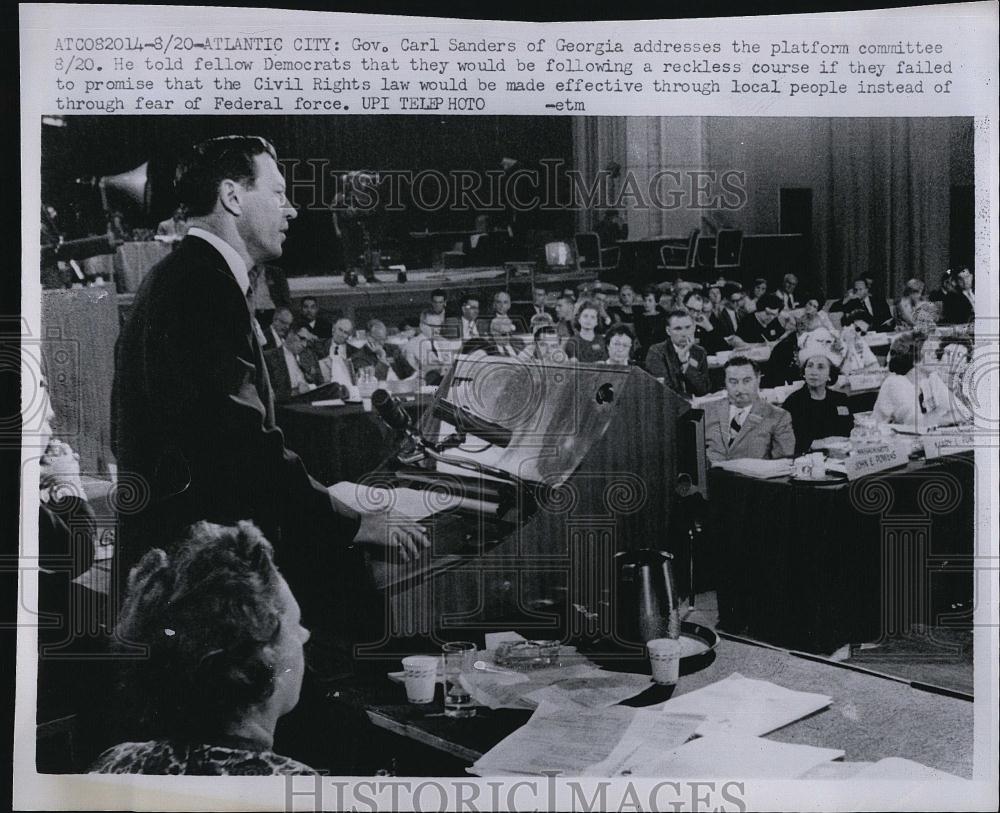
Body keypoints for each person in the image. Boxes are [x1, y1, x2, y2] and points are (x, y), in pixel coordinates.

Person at [112, 136, 428, 627]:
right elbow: (240, 446)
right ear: (233, 197)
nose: (293, 210)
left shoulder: (188, 276)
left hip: (183, 567)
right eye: (279, 193)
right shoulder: (203, 286)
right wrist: (354, 520)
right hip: (193, 583)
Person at [91, 521, 316, 775]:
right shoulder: (297, 786)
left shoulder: (116, 762)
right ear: (262, 657)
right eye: (295, 625)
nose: (304, 635)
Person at [703, 356, 795, 463]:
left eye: (746, 381)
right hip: (711, 478)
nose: (740, 389)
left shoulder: (778, 417)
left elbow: (783, 464)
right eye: (733, 382)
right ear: (725, 382)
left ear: (758, 380)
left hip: (752, 479)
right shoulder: (706, 410)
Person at [872, 332, 962, 429]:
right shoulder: (895, 383)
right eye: (929, 352)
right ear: (914, 359)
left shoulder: (932, 378)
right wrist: (943, 412)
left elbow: (963, 411)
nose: (936, 355)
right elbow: (916, 424)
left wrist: (940, 415)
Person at [781, 350, 854, 456]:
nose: (813, 372)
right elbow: (788, 440)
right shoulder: (793, 402)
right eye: (810, 366)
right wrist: (822, 443)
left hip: (841, 455)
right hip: (808, 459)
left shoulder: (840, 399)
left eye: (820, 367)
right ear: (804, 373)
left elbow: (849, 430)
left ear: (830, 375)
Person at [644, 310, 710, 398]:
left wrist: (686, 364)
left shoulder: (700, 352)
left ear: (694, 328)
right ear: (668, 331)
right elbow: (665, 391)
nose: (684, 333)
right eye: (678, 329)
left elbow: (704, 389)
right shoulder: (657, 352)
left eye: (688, 327)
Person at [264, 328, 320, 403]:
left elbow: (318, 381)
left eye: (307, 341)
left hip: (310, 400)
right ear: (290, 334)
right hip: (288, 405)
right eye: (302, 338)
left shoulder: (307, 357)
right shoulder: (270, 357)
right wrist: (296, 391)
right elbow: (269, 394)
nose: (304, 345)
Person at [349, 319, 414, 381]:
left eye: (384, 339)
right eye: (379, 339)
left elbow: (410, 373)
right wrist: (382, 359)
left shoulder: (393, 349)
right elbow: (372, 381)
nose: (382, 343)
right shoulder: (359, 357)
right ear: (368, 337)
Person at [404, 309, 452, 385]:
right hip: (424, 386)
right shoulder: (411, 346)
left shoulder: (445, 342)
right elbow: (412, 374)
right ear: (422, 326)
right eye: (432, 325)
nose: (436, 329)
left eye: (439, 325)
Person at [838, 310, 881, 375]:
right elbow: (844, 372)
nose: (859, 335)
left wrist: (860, 372)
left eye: (863, 333)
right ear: (847, 325)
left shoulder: (861, 342)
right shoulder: (835, 343)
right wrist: (849, 347)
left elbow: (875, 365)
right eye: (857, 329)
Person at [319, 317, 355, 387]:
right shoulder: (320, 345)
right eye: (340, 330)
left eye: (346, 332)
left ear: (349, 336)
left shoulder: (354, 352)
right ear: (333, 329)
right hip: (326, 387)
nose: (341, 334)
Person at [634, 286, 666, 353]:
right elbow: (640, 337)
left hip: (660, 349)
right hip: (645, 349)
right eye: (645, 300)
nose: (646, 303)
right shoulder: (639, 318)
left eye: (650, 300)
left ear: (656, 302)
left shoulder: (663, 317)